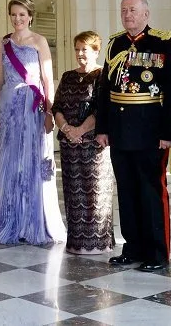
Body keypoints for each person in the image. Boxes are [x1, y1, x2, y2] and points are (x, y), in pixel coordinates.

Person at [95, 0, 171, 271]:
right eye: (123, 10)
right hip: (120, 131)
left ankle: (157, 253)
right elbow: (104, 91)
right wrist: (102, 128)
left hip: (150, 131)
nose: (127, 14)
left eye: (133, 10)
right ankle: (132, 247)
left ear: (146, 14)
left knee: (151, 191)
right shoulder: (115, 43)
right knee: (128, 191)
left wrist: (170, 132)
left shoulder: (163, 43)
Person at [0, 0, 66, 245]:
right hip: (8, 106)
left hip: (31, 106)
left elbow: (48, 80)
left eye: (22, 14)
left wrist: (50, 112)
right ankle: (8, 219)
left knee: (30, 159)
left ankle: (31, 221)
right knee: (8, 160)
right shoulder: (4, 42)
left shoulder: (39, 41)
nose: (17, 19)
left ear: (30, 16)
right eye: (13, 14)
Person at [52, 31, 115, 254]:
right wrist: (67, 129)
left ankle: (98, 243)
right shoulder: (68, 76)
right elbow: (56, 106)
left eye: (85, 49)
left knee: (95, 193)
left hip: (93, 145)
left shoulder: (102, 75)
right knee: (72, 193)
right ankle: (76, 243)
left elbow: (102, 109)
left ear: (96, 51)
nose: (80, 54)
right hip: (69, 145)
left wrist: (80, 130)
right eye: (77, 49)